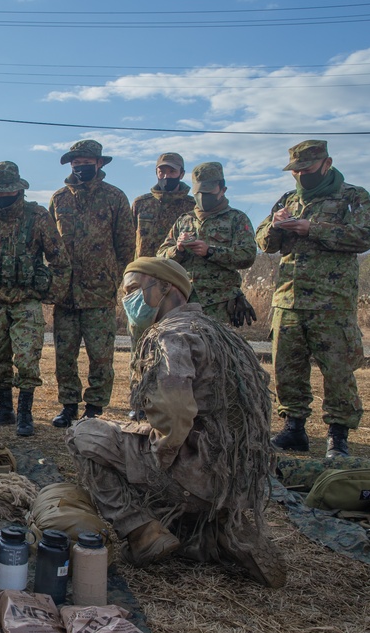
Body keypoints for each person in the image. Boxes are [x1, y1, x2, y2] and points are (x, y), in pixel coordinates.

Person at [68, 258, 285, 589]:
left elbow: (175, 412)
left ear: (166, 286)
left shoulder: (169, 336)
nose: (129, 301)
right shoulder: (224, 335)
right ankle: (213, 534)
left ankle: (141, 530)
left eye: (134, 290)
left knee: (83, 434)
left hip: (194, 475)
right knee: (139, 436)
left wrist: (158, 463)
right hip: (236, 479)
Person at [256, 140, 370, 457]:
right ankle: (294, 430)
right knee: (287, 370)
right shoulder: (288, 199)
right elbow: (264, 242)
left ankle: (338, 437)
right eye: (296, 170)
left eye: (306, 169)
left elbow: (365, 235)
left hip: (331, 304)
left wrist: (313, 228)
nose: (301, 175)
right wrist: (276, 225)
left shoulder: (353, 196)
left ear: (326, 163)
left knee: (337, 372)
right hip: (289, 302)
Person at [0, 162, 71, 436]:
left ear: (19, 190)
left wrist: (49, 293)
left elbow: (60, 260)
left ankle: (25, 413)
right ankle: (3, 409)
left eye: (7, 192)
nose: (2, 197)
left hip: (26, 302)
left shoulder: (37, 216)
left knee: (26, 358)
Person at [49, 140, 135, 427]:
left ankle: (95, 408)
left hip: (99, 293)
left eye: (86, 161)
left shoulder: (115, 197)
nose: (80, 166)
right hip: (66, 293)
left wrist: (112, 276)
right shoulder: (59, 198)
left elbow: (126, 246)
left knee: (101, 356)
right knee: (65, 355)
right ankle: (69, 405)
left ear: (98, 163)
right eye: (76, 161)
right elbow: (49, 243)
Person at [157, 162, 257, 325]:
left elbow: (248, 256)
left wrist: (210, 251)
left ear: (222, 190)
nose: (203, 197)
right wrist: (178, 250)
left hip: (220, 304)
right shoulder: (184, 220)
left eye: (208, 192)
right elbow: (161, 256)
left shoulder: (236, 219)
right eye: (199, 192)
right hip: (184, 301)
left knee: (217, 350)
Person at [131, 153, 195, 259]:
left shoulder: (192, 207)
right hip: (144, 270)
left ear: (182, 174)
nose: (166, 176)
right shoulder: (141, 203)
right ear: (156, 173)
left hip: (176, 271)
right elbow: (127, 241)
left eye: (172, 172)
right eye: (162, 172)